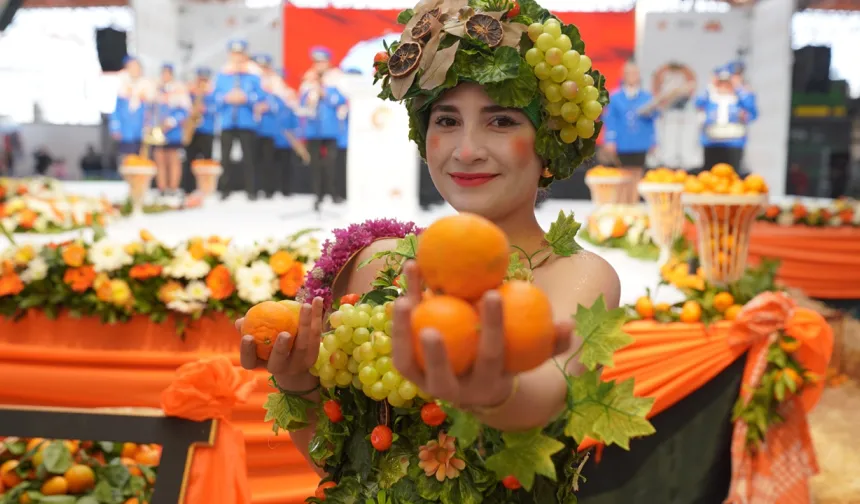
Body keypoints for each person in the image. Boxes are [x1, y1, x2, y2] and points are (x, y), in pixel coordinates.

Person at [237, 2, 634, 499]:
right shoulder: (376, 263)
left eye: (502, 121)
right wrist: (298, 384)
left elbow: (542, 392)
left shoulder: (574, 276)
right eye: (446, 120)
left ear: (549, 142)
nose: (465, 149)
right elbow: (342, 465)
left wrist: (496, 394)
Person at [602, 60, 659, 203]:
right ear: (624, 76)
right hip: (623, 142)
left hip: (640, 141)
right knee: (623, 173)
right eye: (629, 73)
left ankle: (633, 202)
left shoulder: (647, 97)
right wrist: (610, 140)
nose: (632, 76)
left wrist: (653, 141)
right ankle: (623, 202)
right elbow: (611, 120)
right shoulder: (615, 98)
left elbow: (654, 119)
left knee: (638, 174)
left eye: (635, 73)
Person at [214, 39, 263, 201]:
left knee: (249, 157)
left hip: (246, 121)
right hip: (228, 121)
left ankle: (251, 190)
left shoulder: (253, 75)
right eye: (234, 54)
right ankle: (224, 189)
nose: (237, 57)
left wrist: (246, 98)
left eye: (240, 54)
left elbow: (260, 96)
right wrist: (226, 98)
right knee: (225, 157)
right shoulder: (222, 75)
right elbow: (215, 96)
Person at [300, 46, 346, 210]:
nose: (319, 65)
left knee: (331, 163)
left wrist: (324, 92)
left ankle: (334, 193)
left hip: (330, 129)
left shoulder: (336, 78)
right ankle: (317, 195)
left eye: (322, 61)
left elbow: (340, 100)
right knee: (315, 164)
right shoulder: (308, 80)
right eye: (316, 62)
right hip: (314, 129)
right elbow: (302, 103)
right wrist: (311, 90)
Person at [696, 65, 757, 174]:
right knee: (710, 173)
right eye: (721, 82)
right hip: (712, 141)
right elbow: (698, 103)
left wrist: (738, 87)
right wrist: (711, 85)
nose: (724, 86)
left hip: (733, 142)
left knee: (732, 174)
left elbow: (752, 111)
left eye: (727, 82)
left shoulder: (739, 97)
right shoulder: (710, 96)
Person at [151, 63, 190, 197]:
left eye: (168, 73)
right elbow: (151, 110)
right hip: (158, 130)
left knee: (174, 159)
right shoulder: (156, 89)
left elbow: (185, 111)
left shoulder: (179, 89)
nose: (165, 76)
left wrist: (171, 122)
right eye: (163, 73)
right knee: (159, 158)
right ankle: (162, 188)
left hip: (174, 130)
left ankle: (173, 187)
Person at [272, 69, 309, 197]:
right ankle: (270, 189)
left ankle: (286, 189)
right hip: (272, 135)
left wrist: (297, 136)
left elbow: (294, 118)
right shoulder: (270, 94)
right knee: (270, 164)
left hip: (287, 138)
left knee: (287, 165)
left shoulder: (289, 96)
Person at [182, 67, 217, 194]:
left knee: (207, 160)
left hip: (207, 130)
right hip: (193, 130)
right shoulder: (190, 93)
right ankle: (188, 188)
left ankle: (206, 188)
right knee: (189, 160)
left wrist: (205, 109)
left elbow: (217, 108)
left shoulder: (212, 94)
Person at [110, 56, 150, 164]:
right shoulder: (121, 88)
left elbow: (151, 110)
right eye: (131, 67)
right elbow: (115, 111)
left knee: (142, 158)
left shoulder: (147, 87)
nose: (134, 70)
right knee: (127, 158)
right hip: (126, 130)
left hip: (142, 131)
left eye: (136, 67)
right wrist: (115, 128)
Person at [252, 54, 281, 199]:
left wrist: (268, 105)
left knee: (268, 160)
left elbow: (280, 103)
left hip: (268, 128)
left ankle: (269, 189)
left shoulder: (274, 82)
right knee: (253, 160)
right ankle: (254, 189)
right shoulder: (252, 80)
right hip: (253, 128)